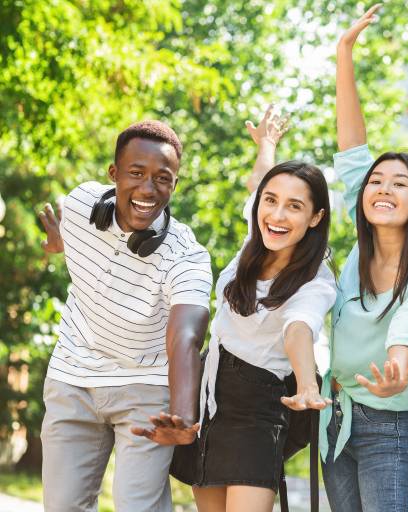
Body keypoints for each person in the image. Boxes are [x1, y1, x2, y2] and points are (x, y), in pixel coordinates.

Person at [158, 107, 336, 512]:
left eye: (294, 206)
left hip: (258, 408)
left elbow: (299, 330)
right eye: (271, 202)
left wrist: (308, 385)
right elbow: (260, 183)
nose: (276, 214)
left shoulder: (316, 279)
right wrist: (267, 145)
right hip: (209, 391)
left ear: (315, 217)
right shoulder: (256, 239)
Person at [37, 120, 212, 511]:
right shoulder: (82, 205)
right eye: (136, 173)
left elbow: (186, 336)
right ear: (113, 174)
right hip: (73, 375)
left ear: (175, 185)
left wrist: (183, 415)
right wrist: (58, 242)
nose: (148, 189)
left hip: (145, 387)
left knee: (138, 507)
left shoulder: (188, 256)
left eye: (162, 179)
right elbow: (69, 234)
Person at [319, 5, 408, 511]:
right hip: (337, 414)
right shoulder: (358, 247)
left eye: (399, 184)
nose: (382, 189)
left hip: (389, 426)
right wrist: (344, 54)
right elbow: (353, 147)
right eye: (376, 182)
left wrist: (399, 364)